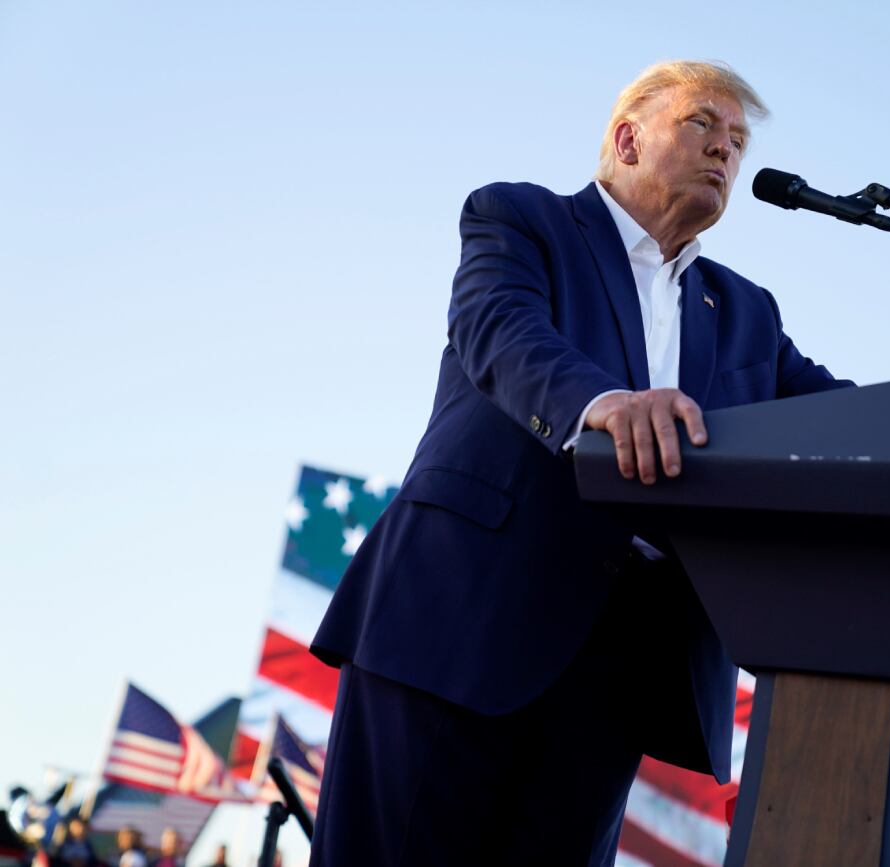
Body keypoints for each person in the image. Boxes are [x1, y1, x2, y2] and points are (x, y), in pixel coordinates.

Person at [309, 59, 851, 866]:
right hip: (460, 622)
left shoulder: (746, 315)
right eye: (703, 123)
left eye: (737, 141)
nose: (725, 152)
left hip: (620, 672)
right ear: (628, 137)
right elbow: (501, 330)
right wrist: (602, 404)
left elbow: (845, 417)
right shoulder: (521, 220)